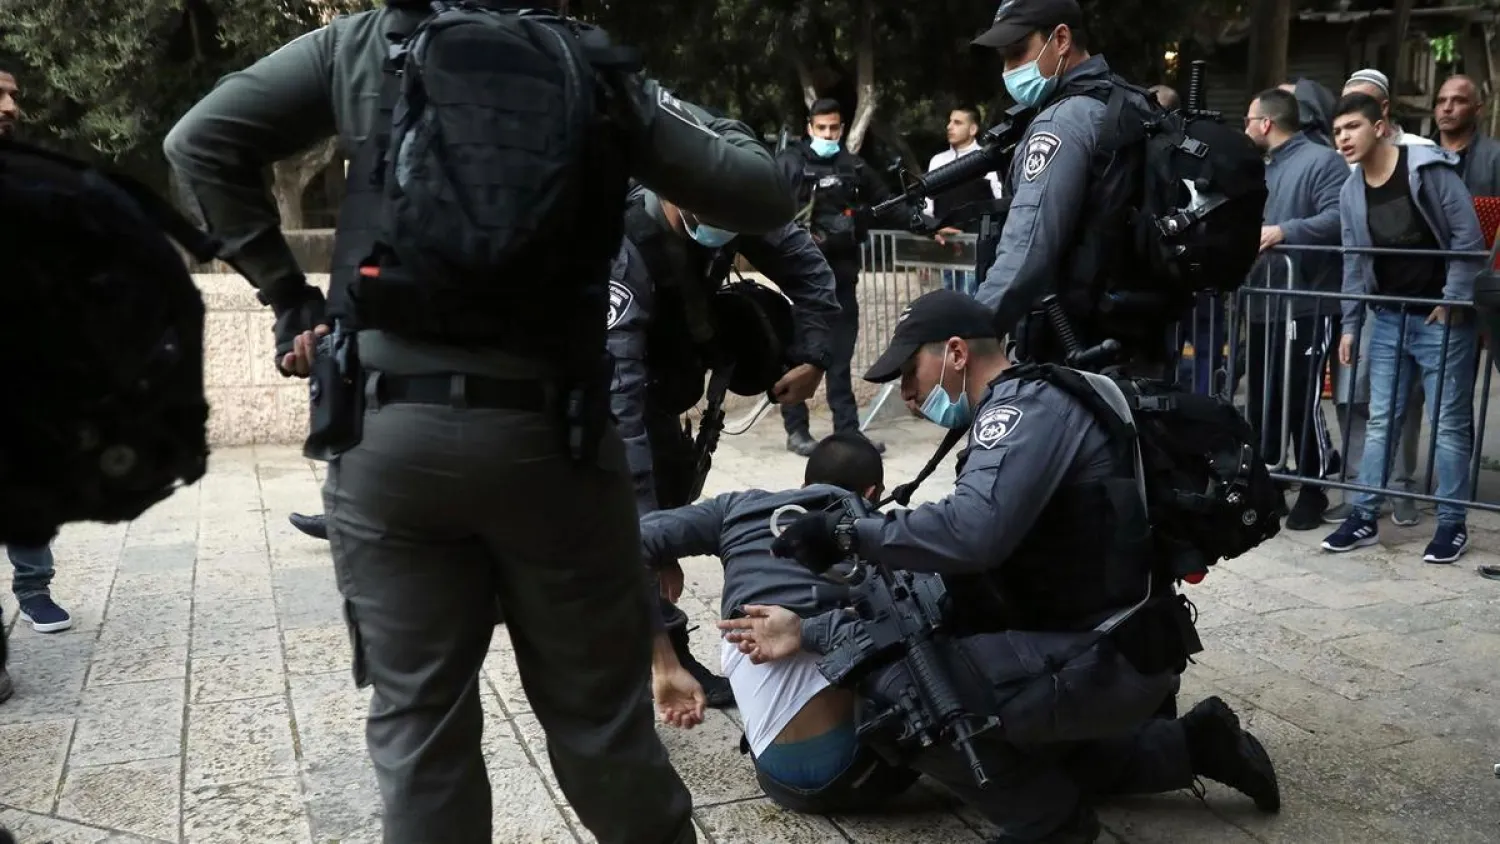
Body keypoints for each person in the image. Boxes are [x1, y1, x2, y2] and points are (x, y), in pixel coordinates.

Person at [163, 3, 798, 842]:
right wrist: (656, 98)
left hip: (389, 441)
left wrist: (289, 295)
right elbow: (758, 187)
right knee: (601, 731)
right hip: (556, 448)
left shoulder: (362, 45)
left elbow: (196, 144)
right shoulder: (592, 67)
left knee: (422, 734)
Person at [747, 289, 1281, 841]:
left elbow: (972, 530)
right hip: (1099, 639)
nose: (907, 392)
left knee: (907, 702)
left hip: (1107, 652)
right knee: (950, 673)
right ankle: (1192, 746)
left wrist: (848, 534)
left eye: (910, 371)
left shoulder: (1022, 410)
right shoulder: (1029, 403)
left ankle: (1050, 824)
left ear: (956, 354)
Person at [610, 182, 841, 705]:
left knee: (668, 483)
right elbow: (619, 414)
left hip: (660, 377)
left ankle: (651, 638)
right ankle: (643, 658)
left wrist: (813, 355)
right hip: (596, 384)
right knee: (611, 512)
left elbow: (809, 272)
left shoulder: (738, 190)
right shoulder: (622, 244)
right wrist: (653, 543)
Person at [642, 432, 920, 812]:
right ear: (872, 493)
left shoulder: (736, 508)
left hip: (773, 775)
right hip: (858, 772)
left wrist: (664, 663)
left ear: (803, 485)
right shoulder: (880, 531)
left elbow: (626, 542)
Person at [1323, 92, 1482, 565]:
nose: (1344, 138)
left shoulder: (1426, 169)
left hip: (1441, 320)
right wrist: (1351, 324)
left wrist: (1453, 301)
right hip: (1388, 318)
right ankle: (1366, 515)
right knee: (1380, 422)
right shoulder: (1351, 191)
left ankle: (1453, 524)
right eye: (1337, 132)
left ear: (1379, 125)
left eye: (1352, 127)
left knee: (1448, 425)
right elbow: (1354, 261)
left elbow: (1467, 237)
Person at [968, 0, 1167, 373]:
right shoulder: (1133, 102)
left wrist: (966, 336)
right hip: (1140, 340)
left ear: (1061, 39)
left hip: (1073, 347)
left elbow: (1025, 249)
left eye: (1016, 53)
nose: (1009, 70)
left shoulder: (1061, 123)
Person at [777, 97, 922, 457]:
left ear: (842, 128)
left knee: (839, 360)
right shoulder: (790, 164)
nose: (828, 134)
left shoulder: (852, 166)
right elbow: (769, 211)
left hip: (842, 277)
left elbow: (888, 204)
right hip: (802, 281)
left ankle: (847, 432)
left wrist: (928, 227)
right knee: (799, 356)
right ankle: (796, 430)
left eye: (834, 128)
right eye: (821, 128)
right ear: (809, 127)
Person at [1241, 87, 1348, 530]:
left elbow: (1341, 217)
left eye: (1249, 119)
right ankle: (1272, 480)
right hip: (1265, 301)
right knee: (1264, 397)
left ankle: (1314, 485)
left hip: (1308, 302)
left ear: (1266, 123)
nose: (1244, 128)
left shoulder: (1322, 161)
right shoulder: (1260, 167)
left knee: (1301, 397)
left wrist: (1284, 231)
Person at [926, 106, 1005, 296]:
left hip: (977, 253)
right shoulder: (937, 161)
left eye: (957, 122)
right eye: (950, 121)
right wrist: (933, 231)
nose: (949, 126)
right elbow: (927, 208)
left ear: (973, 129)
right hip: (946, 251)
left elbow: (1000, 203)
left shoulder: (989, 161)